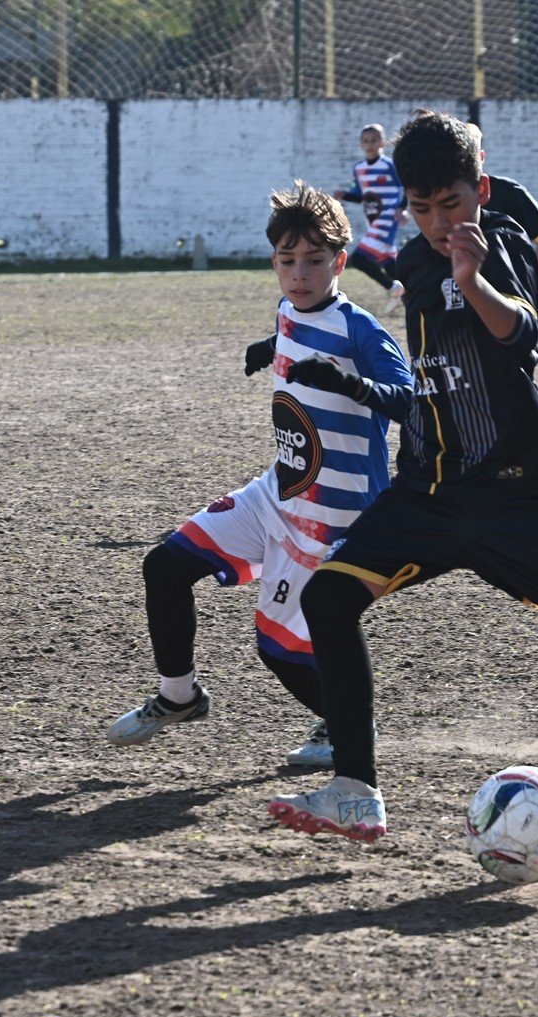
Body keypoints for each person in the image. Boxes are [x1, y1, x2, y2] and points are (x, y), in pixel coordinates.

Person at [268, 111, 538, 843]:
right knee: (329, 597)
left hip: (515, 499)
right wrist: (531, 405)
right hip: (429, 492)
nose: (440, 223)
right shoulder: (413, 262)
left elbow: (518, 334)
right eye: (422, 208)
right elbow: (458, 371)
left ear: (478, 190)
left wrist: (471, 278)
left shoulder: (495, 245)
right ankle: (354, 786)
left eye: (451, 203)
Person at [104, 181, 413, 768]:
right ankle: (179, 697)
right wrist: (271, 345)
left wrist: (352, 384)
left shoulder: (361, 330)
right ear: (273, 261)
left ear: (340, 263)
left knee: (278, 648)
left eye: (315, 262)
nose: (300, 274)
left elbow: (414, 401)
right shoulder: (289, 309)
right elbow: (299, 332)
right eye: (287, 261)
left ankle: (346, 725)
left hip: (333, 516)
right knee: (165, 566)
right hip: (280, 490)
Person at [466, 121, 538, 310]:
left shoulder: (508, 192)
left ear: (482, 157)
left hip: (512, 285)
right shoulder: (447, 197)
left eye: (471, 157)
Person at [333, 123, 408, 314]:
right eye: (366, 141)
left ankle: (393, 289)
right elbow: (361, 196)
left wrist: (402, 208)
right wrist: (343, 195)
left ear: (382, 142)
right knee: (393, 268)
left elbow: (407, 185)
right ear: (360, 144)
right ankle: (413, 303)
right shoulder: (359, 169)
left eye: (374, 140)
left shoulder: (390, 165)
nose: (370, 144)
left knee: (359, 258)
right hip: (373, 221)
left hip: (387, 219)